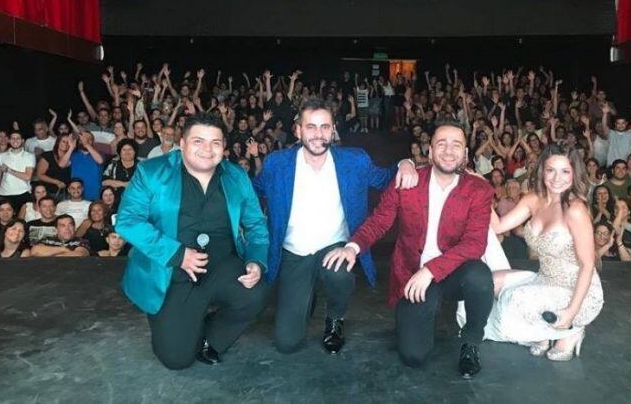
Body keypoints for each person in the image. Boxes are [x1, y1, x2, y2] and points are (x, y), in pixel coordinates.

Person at [252, 97, 418, 355]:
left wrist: (404, 163)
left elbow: (386, 178)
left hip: (335, 247)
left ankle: (335, 319)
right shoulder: (277, 163)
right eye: (311, 127)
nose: (318, 134)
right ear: (297, 130)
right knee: (287, 343)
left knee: (340, 274)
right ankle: (306, 296)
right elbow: (253, 190)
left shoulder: (354, 161)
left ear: (333, 130)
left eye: (325, 127)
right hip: (294, 252)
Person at [327, 121, 493, 378]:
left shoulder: (479, 189)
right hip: (413, 277)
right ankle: (422, 319)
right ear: (429, 152)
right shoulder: (407, 181)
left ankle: (471, 341)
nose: (449, 151)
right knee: (414, 356)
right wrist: (352, 247)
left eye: (456, 145)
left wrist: (430, 270)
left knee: (480, 277)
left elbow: (474, 244)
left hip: (455, 273)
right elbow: (379, 221)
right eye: (441, 144)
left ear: (465, 154)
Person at [116, 112, 269, 370]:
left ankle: (210, 339)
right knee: (176, 359)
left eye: (216, 143)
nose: (207, 150)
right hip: (171, 271)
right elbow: (127, 221)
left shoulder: (236, 176)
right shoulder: (151, 172)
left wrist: (256, 260)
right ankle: (181, 322)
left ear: (224, 147)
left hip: (221, 265)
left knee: (255, 293)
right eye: (198, 141)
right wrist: (178, 254)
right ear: (183, 144)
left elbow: (255, 224)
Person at [487, 143, 603, 361]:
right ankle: (543, 330)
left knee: (515, 299)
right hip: (546, 280)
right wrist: (480, 190)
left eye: (565, 171)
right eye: (551, 170)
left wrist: (571, 311)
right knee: (491, 282)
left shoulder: (575, 209)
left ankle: (572, 330)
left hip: (578, 291)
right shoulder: (532, 199)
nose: (557, 178)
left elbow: (588, 265)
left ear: (573, 174)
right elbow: (497, 227)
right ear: (542, 171)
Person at [0, 130, 36, 212]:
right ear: (9, 140)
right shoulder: (1, 156)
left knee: (23, 222)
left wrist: (8, 170)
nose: (15, 140)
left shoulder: (29, 156)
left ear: (22, 141)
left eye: (18, 138)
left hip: (23, 193)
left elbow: (27, 176)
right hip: (4, 193)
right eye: (13, 138)